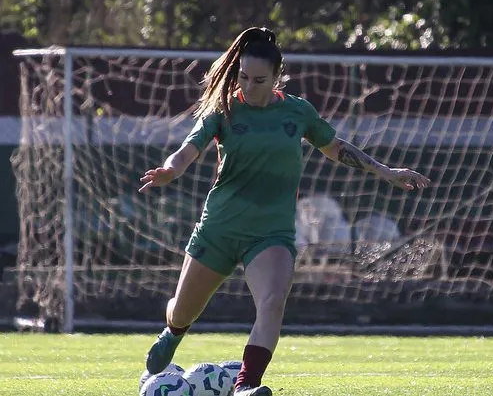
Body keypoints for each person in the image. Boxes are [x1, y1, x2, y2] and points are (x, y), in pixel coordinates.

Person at [139, 26, 431, 396]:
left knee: (273, 301)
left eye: (259, 79)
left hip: (271, 233)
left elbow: (336, 148)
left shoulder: (298, 113)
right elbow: (188, 149)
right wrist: (170, 170)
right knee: (183, 311)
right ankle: (174, 331)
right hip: (220, 228)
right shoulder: (224, 110)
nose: (249, 86)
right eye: (243, 77)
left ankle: (246, 385)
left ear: (277, 77)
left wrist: (386, 172)